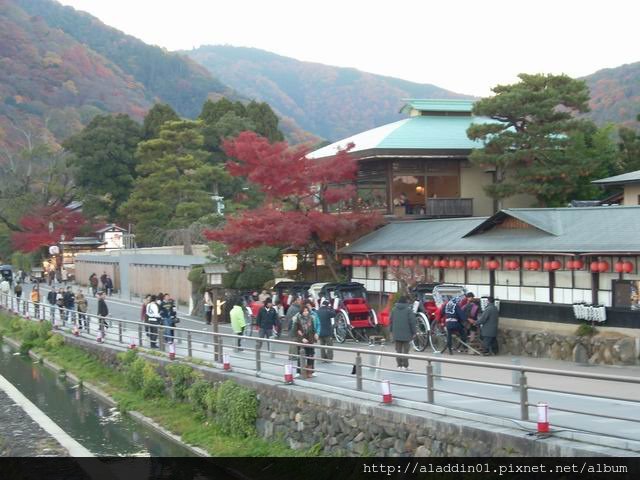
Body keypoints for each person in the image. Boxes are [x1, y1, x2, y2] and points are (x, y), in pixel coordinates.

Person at [390, 296, 416, 370]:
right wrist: (414, 332)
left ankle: (399, 365)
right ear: (406, 302)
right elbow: (412, 322)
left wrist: (391, 331)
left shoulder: (393, 309)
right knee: (406, 351)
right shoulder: (408, 310)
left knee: (398, 350)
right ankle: (405, 366)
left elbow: (391, 321)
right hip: (407, 333)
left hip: (396, 333)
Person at [294, 306, 318, 378]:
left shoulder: (311, 318)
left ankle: (311, 371)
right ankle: (299, 371)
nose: (306, 312)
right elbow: (296, 331)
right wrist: (302, 338)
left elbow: (313, 329)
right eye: (304, 311)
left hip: (310, 340)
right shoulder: (298, 319)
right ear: (301, 312)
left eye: (307, 311)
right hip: (302, 340)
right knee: (300, 356)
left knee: (311, 356)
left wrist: (315, 335)